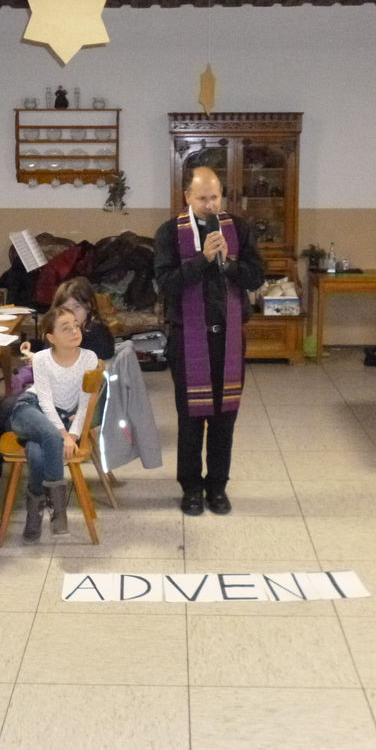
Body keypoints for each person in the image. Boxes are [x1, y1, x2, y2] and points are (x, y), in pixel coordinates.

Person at [153, 166, 265, 516]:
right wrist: (201, 260)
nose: (210, 204)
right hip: (187, 339)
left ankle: (217, 486)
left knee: (224, 416)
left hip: (229, 339)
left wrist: (228, 263)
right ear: (187, 196)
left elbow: (256, 277)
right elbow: (165, 283)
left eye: (215, 197)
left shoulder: (239, 229)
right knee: (190, 417)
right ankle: (190, 487)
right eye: (202, 198)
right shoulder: (169, 233)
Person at [0, 276, 114, 492]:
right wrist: (36, 349)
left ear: (89, 306)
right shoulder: (76, 328)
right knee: (6, 406)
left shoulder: (94, 334)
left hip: (71, 408)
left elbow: (86, 372)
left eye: (77, 307)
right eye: (66, 308)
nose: (72, 313)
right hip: (59, 396)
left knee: (9, 408)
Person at [8, 306, 98, 543]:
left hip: (61, 419)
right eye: (65, 328)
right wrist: (64, 436)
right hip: (30, 409)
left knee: (37, 454)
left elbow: (86, 402)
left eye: (75, 325)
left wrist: (74, 434)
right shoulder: (41, 358)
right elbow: (45, 402)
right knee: (51, 438)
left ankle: (34, 513)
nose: (74, 331)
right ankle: (59, 511)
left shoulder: (89, 358)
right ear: (51, 337)